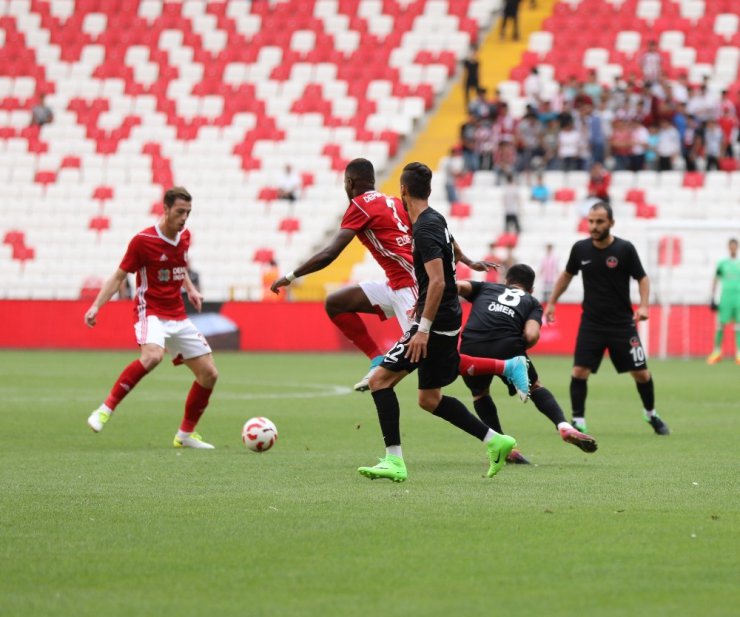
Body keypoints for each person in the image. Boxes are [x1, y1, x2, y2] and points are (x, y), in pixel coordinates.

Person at [357, 162, 529, 483]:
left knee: (380, 381)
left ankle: (394, 461)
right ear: (430, 191)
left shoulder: (423, 228)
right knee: (429, 399)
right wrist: (467, 261)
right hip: (449, 317)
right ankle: (496, 440)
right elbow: (449, 243)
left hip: (435, 322)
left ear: (403, 191)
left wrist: (422, 328)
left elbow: (436, 282)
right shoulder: (434, 218)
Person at [270, 158, 494, 392]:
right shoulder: (396, 201)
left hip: (412, 287)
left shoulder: (358, 205)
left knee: (436, 356)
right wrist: (467, 259)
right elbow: (437, 231)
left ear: (349, 182)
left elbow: (329, 253)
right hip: (396, 284)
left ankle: (504, 366)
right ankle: (377, 361)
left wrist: (291, 276)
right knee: (337, 303)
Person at [84, 187, 218, 448]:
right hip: (151, 311)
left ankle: (185, 435)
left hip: (177, 314)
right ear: (165, 209)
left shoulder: (184, 237)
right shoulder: (143, 241)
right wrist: (96, 306)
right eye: (179, 212)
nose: (184, 218)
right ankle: (105, 409)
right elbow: (119, 276)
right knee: (153, 356)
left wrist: (190, 289)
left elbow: (180, 265)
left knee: (210, 374)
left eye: (188, 213)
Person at [544, 200, 670, 436]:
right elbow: (567, 275)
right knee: (579, 371)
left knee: (641, 373)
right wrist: (551, 302)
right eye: (591, 221)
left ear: (611, 222)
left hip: (622, 324)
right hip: (591, 323)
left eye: (599, 221)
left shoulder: (624, 249)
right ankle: (578, 420)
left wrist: (643, 306)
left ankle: (651, 414)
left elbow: (642, 278)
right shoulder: (580, 249)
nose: (594, 226)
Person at [458, 264, 597, 465]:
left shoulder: (486, 287)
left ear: (506, 281)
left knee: (480, 393)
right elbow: (532, 334)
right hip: (508, 346)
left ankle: (502, 445)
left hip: (471, 345)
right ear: (531, 289)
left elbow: (456, 286)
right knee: (535, 386)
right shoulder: (531, 301)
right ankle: (563, 425)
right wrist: (515, 347)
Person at [707, 238, 740, 364]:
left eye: (734, 246)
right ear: (728, 247)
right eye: (731, 246)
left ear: (737, 247)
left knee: (738, 326)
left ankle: (738, 354)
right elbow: (716, 279)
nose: (732, 248)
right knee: (720, 325)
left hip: (738, 298)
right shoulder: (722, 263)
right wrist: (712, 296)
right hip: (725, 298)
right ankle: (717, 352)